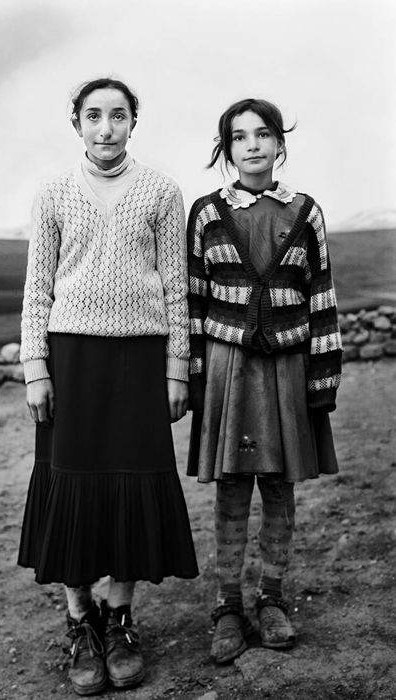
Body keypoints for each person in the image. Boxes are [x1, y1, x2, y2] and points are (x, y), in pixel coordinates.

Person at [18, 77, 198, 696]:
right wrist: (36, 369)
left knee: (131, 482)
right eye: (93, 116)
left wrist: (177, 368)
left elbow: (177, 287)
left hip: (141, 362)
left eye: (117, 116)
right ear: (76, 124)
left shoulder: (162, 191)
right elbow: (36, 288)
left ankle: (119, 620)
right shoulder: (53, 193)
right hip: (72, 360)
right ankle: (80, 622)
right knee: (72, 484)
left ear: (132, 123)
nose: (105, 128)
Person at [186, 98, 342, 664]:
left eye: (262, 134)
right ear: (226, 149)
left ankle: (271, 597)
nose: (251, 144)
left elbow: (321, 296)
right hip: (228, 372)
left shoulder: (305, 212)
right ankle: (228, 605)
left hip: (286, 369)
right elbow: (193, 302)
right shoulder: (207, 213)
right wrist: (195, 379)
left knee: (279, 487)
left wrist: (322, 378)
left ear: (279, 143)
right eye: (238, 136)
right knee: (231, 489)